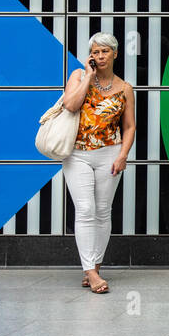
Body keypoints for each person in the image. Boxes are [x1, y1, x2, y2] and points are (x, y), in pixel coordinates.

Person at [61, 33, 135, 294]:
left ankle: (94, 266)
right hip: (77, 154)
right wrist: (88, 77)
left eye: (105, 52)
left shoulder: (124, 88)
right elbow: (70, 105)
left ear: (115, 54)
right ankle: (90, 272)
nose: (100, 56)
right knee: (85, 209)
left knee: (103, 210)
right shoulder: (78, 77)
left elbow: (129, 126)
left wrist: (123, 154)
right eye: (95, 52)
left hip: (110, 154)